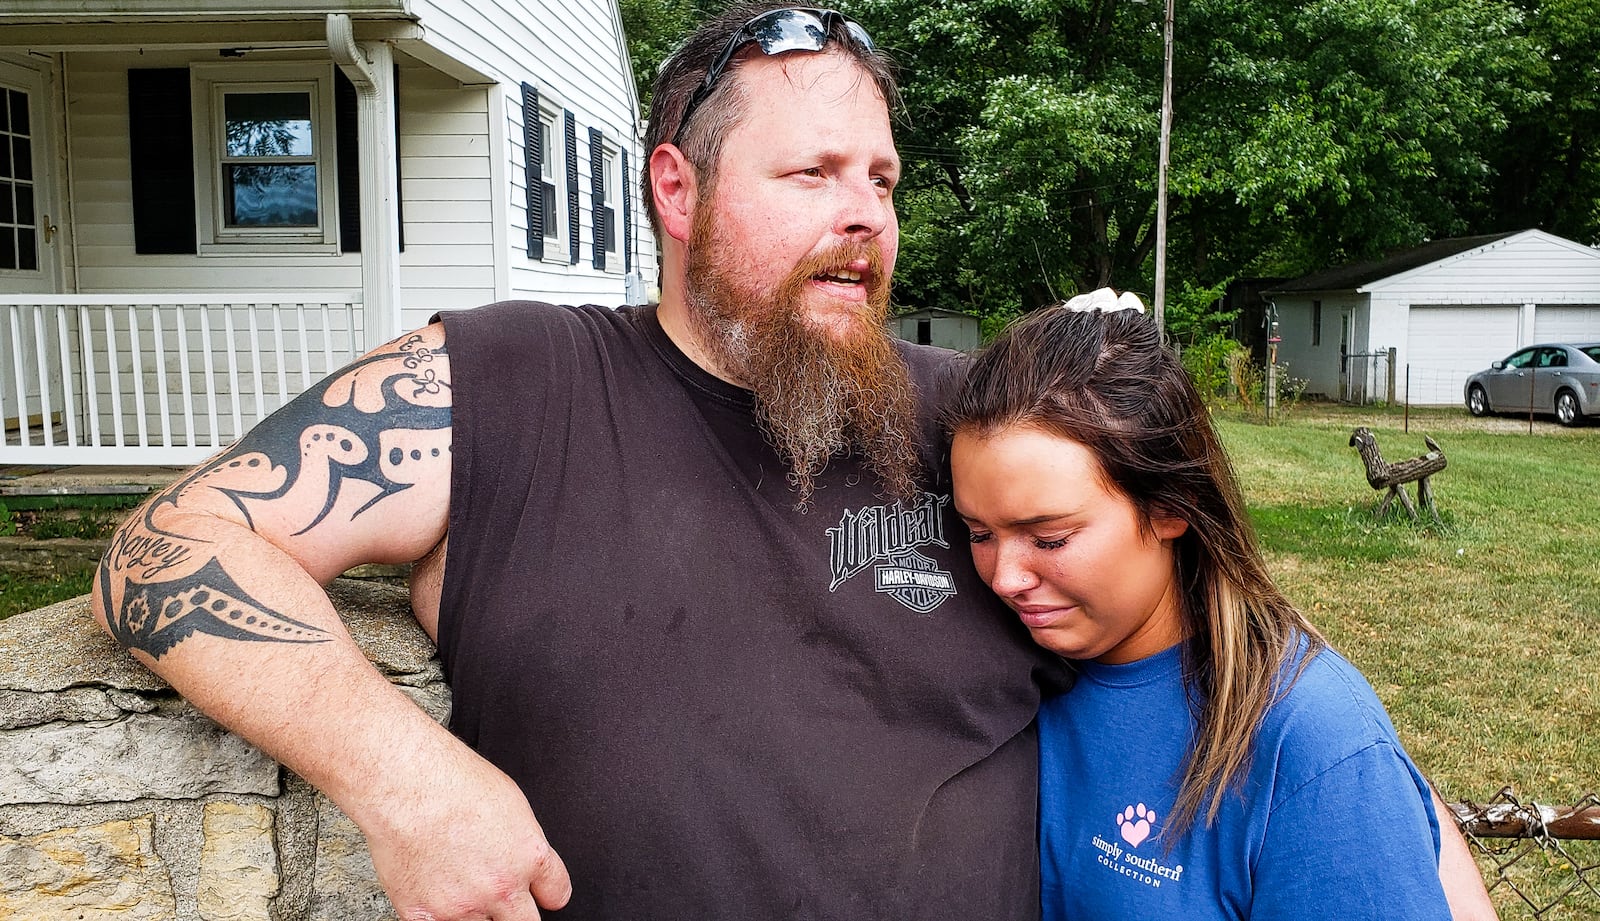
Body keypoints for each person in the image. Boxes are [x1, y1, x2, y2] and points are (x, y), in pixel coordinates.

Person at [90, 3, 1494, 918]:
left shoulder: (976, 427)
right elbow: (163, 546)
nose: (864, 216)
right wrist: (407, 780)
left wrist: (1417, 843)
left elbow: (1228, 633)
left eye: (880, 180)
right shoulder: (507, 382)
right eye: (812, 176)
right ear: (676, 188)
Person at [945, 302, 1458, 918]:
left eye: (1049, 539)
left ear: (1172, 506)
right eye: (978, 533)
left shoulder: (1310, 739)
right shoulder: (1000, 659)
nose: (1005, 578)